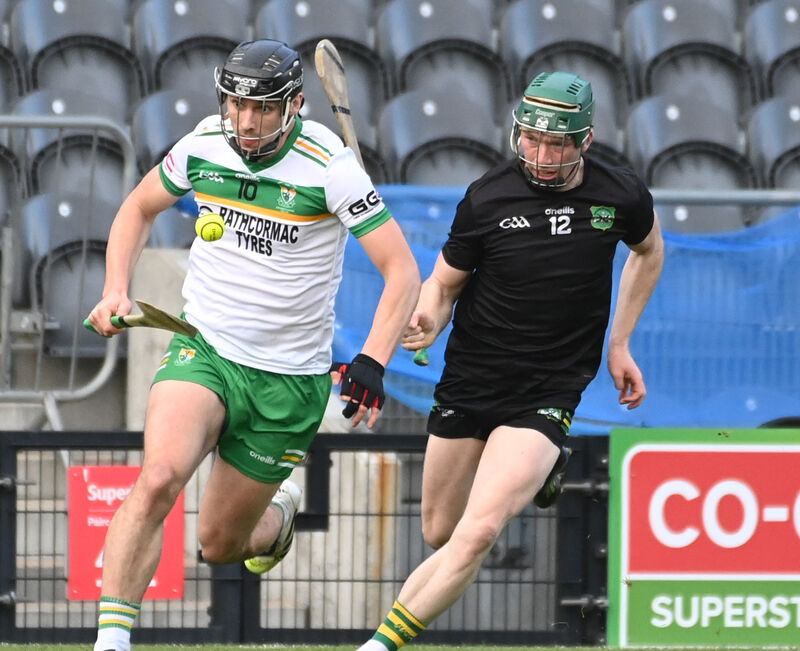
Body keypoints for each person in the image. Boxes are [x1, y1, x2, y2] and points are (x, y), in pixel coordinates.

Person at [86, 39, 420, 651]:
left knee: (221, 545)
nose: (245, 121)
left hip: (288, 382)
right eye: (236, 104)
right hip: (206, 348)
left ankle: (282, 513)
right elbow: (136, 208)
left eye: (263, 108)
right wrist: (115, 289)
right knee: (159, 477)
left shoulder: (332, 168)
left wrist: (373, 360)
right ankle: (112, 641)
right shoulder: (204, 144)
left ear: (294, 105)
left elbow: (401, 271)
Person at [356, 71, 664, 651]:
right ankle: (543, 467)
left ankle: (378, 646)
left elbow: (649, 252)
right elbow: (443, 287)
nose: (542, 156)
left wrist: (619, 343)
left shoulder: (620, 195)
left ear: (586, 141)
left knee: (478, 533)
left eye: (557, 144)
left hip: (549, 387)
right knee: (442, 532)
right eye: (532, 140)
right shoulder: (487, 197)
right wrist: (425, 319)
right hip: (472, 379)